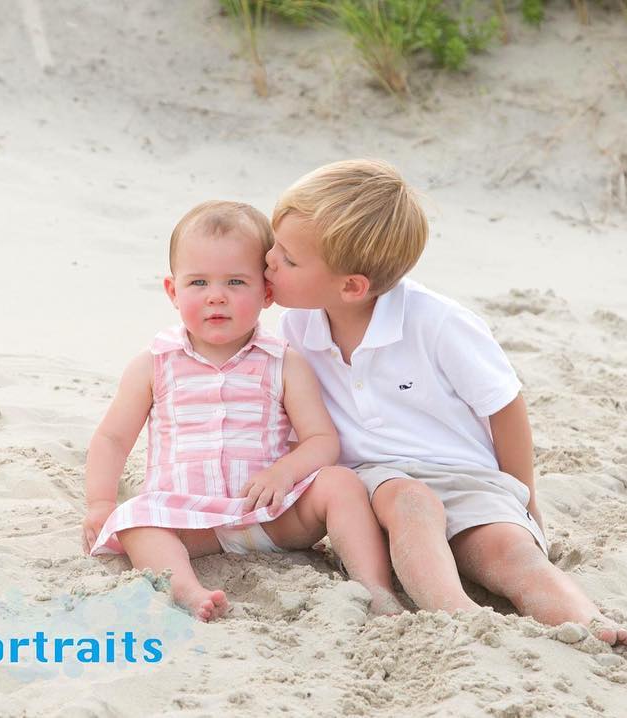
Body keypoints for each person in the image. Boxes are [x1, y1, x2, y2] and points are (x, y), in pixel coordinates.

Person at [265, 160, 627, 650]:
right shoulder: (298, 326)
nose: (268, 261)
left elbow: (504, 406)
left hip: (464, 477)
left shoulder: (438, 322)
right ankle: (458, 615)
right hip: (376, 482)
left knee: (511, 553)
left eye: (287, 259)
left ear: (352, 286)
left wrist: (524, 500)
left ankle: (588, 621)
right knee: (410, 501)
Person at [81, 199, 403, 622]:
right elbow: (112, 438)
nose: (216, 296)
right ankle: (187, 589)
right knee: (136, 520)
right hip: (188, 520)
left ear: (266, 292)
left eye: (235, 282)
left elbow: (322, 440)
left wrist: (283, 473)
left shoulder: (283, 361)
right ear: (173, 291)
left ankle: (374, 587)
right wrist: (100, 502)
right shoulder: (154, 363)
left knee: (340, 483)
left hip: (271, 516)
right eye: (198, 283)